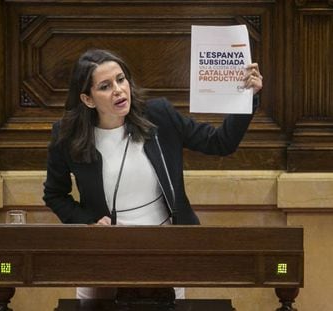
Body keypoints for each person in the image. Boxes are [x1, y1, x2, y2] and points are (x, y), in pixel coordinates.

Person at [43, 49, 263, 299]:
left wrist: (248, 98)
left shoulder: (159, 115)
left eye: (121, 79)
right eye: (105, 86)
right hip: (104, 257)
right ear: (88, 99)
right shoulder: (67, 137)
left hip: (164, 255)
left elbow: (220, 143)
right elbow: (54, 194)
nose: (118, 90)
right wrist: (88, 222)